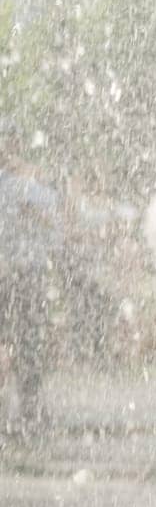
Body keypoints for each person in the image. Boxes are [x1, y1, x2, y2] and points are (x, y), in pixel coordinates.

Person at [0, 120, 64, 436]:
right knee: (27, 341)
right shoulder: (32, 188)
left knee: (22, 341)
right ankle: (29, 409)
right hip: (26, 274)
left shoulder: (29, 187)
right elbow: (56, 231)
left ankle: (26, 407)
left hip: (16, 273)